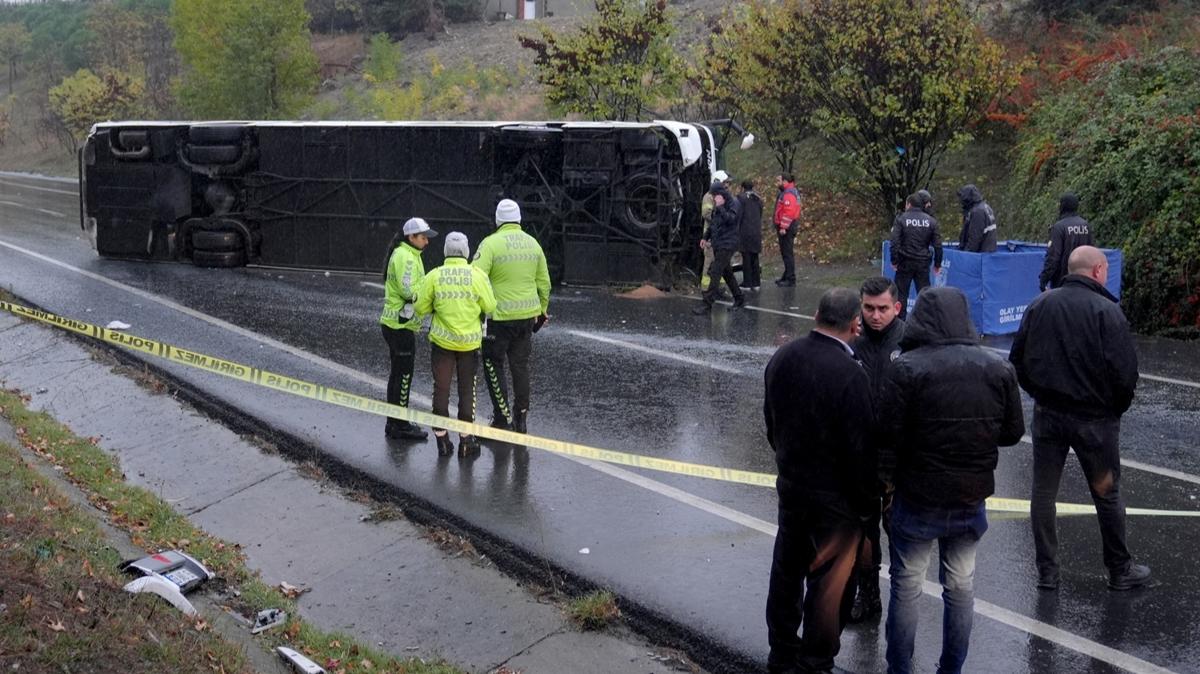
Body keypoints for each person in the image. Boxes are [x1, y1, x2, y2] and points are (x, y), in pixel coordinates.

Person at [878, 287, 1025, 674]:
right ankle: (951, 668)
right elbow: (1011, 433)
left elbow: (887, 435)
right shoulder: (998, 368)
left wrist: (887, 484)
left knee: (907, 586)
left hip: (917, 495)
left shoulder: (907, 368)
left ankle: (899, 667)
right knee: (961, 588)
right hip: (970, 495)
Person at [1009, 245, 1148, 592]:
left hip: (1049, 415)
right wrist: (1114, 407)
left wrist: (1040, 393)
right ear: (1099, 270)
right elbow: (1125, 372)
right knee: (1107, 494)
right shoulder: (1107, 311)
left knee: (1043, 494)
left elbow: (1018, 359)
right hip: (1095, 421)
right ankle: (1119, 569)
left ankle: (1047, 572)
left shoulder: (1040, 305)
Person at [763, 288, 875, 674]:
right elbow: (860, 450)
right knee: (829, 588)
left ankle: (780, 652)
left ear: (815, 316)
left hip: (792, 488)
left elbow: (771, 424)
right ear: (854, 324)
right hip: (836, 502)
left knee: (786, 572)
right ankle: (815, 661)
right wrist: (866, 507)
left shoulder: (783, 357)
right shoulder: (851, 375)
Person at [846, 276, 906, 624]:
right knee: (863, 538)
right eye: (868, 308)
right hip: (862, 458)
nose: (875, 315)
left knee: (900, 538)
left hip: (899, 462)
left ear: (896, 308)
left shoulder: (911, 342)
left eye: (883, 308)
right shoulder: (852, 343)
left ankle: (902, 604)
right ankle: (867, 598)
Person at [414, 232, 497, 457]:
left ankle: (442, 441)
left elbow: (420, 308)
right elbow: (490, 305)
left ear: (446, 251)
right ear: (467, 251)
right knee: (466, 391)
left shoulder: (434, 275)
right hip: (469, 345)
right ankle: (465, 442)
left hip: (442, 344)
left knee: (440, 389)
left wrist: (436, 306)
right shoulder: (477, 275)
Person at [474, 198, 551, 434]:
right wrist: (542, 310)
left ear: (498, 220)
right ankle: (521, 418)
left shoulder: (490, 244)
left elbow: (475, 277)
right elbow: (545, 284)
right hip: (526, 318)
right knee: (520, 366)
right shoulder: (533, 244)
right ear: (519, 219)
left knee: (492, 363)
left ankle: (501, 418)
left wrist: (476, 311)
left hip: (498, 319)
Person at [380, 217, 437, 441]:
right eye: (423, 237)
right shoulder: (406, 257)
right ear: (411, 237)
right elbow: (407, 290)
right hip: (400, 326)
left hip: (395, 324)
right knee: (403, 377)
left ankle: (393, 423)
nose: (426, 241)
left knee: (397, 375)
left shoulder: (407, 254)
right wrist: (430, 297)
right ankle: (400, 425)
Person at [693, 180, 746, 315]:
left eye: (714, 195)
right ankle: (739, 298)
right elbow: (714, 223)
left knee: (715, 271)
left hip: (728, 243)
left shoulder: (733, 203)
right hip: (719, 242)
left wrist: (721, 207)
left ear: (720, 193)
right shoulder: (718, 204)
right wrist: (705, 237)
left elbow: (731, 220)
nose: (712, 198)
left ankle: (707, 304)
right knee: (727, 273)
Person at [889, 193, 943, 319]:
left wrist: (894, 260)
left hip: (905, 262)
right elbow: (938, 245)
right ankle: (927, 321)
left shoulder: (901, 219)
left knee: (901, 294)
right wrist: (937, 264)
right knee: (925, 294)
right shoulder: (931, 221)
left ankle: (900, 323)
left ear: (908, 204)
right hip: (923, 263)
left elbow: (895, 242)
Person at [1038, 193, 1094, 292]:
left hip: (1063, 282)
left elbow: (1053, 257)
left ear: (1062, 206)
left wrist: (1044, 279)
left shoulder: (1059, 227)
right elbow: (1092, 253)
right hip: (1084, 281)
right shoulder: (1086, 226)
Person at [699, 170, 731, 293]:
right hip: (711, 235)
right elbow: (706, 213)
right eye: (725, 183)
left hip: (721, 236)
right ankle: (706, 288)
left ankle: (719, 287)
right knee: (709, 261)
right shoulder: (708, 197)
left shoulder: (724, 196)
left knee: (720, 262)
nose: (727, 186)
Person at [773, 173, 802, 287]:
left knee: (787, 253)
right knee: (786, 252)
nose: (777, 183)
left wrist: (783, 227)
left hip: (787, 226)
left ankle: (790, 278)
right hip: (789, 225)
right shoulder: (790, 191)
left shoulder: (788, 193)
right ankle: (787, 275)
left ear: (785, 181)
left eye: (778, 181)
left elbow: (789, 212)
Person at [738, 179, 764, 291]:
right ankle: (756, 282)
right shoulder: (758, 199)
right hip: (756, 231)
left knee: (746, 257)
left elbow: (738, 214)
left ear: (743, 187)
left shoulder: (741, 198)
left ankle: (747, 283)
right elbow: (760, 214)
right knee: (755, 257)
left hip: (745, 231)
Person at [956, 184, 997, 253]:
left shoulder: (977, 212)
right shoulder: (985, 206)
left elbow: (974, 239)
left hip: (981, 257)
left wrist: (966, 256)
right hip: (988, 253)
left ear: (967, 198)